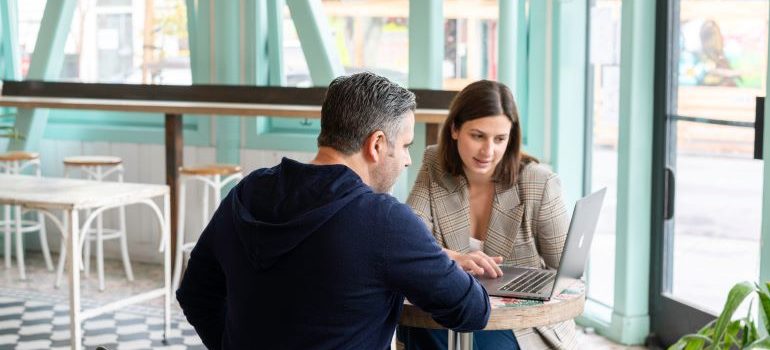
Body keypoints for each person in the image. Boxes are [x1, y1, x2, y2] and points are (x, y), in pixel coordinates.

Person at [176, 72, 491, 350]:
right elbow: (472, 310)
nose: (408, 160)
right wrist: (433, 258)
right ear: (377, 144)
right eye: (405, 145)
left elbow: (195, 293)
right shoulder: (386, 222)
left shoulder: (247, 192)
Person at [400, 80, 577, 349]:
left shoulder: (539, 183)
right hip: (452, 311)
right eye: (478, 136)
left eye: (500, 139)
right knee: (417, 329)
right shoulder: (435, 164)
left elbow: (567, 276)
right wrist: (455, 258)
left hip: (519, 325)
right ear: (455, 129)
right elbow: (408, 242)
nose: (488, 151)